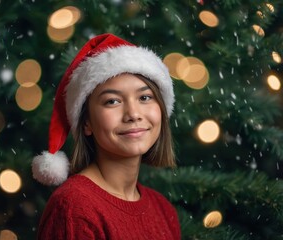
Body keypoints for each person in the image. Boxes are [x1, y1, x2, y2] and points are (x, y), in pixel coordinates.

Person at [32, 33, 181, 239]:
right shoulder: (74, 208)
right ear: (87, 123)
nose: (133, 114)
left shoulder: (164, 211)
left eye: (145, 97)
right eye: (112, 101)